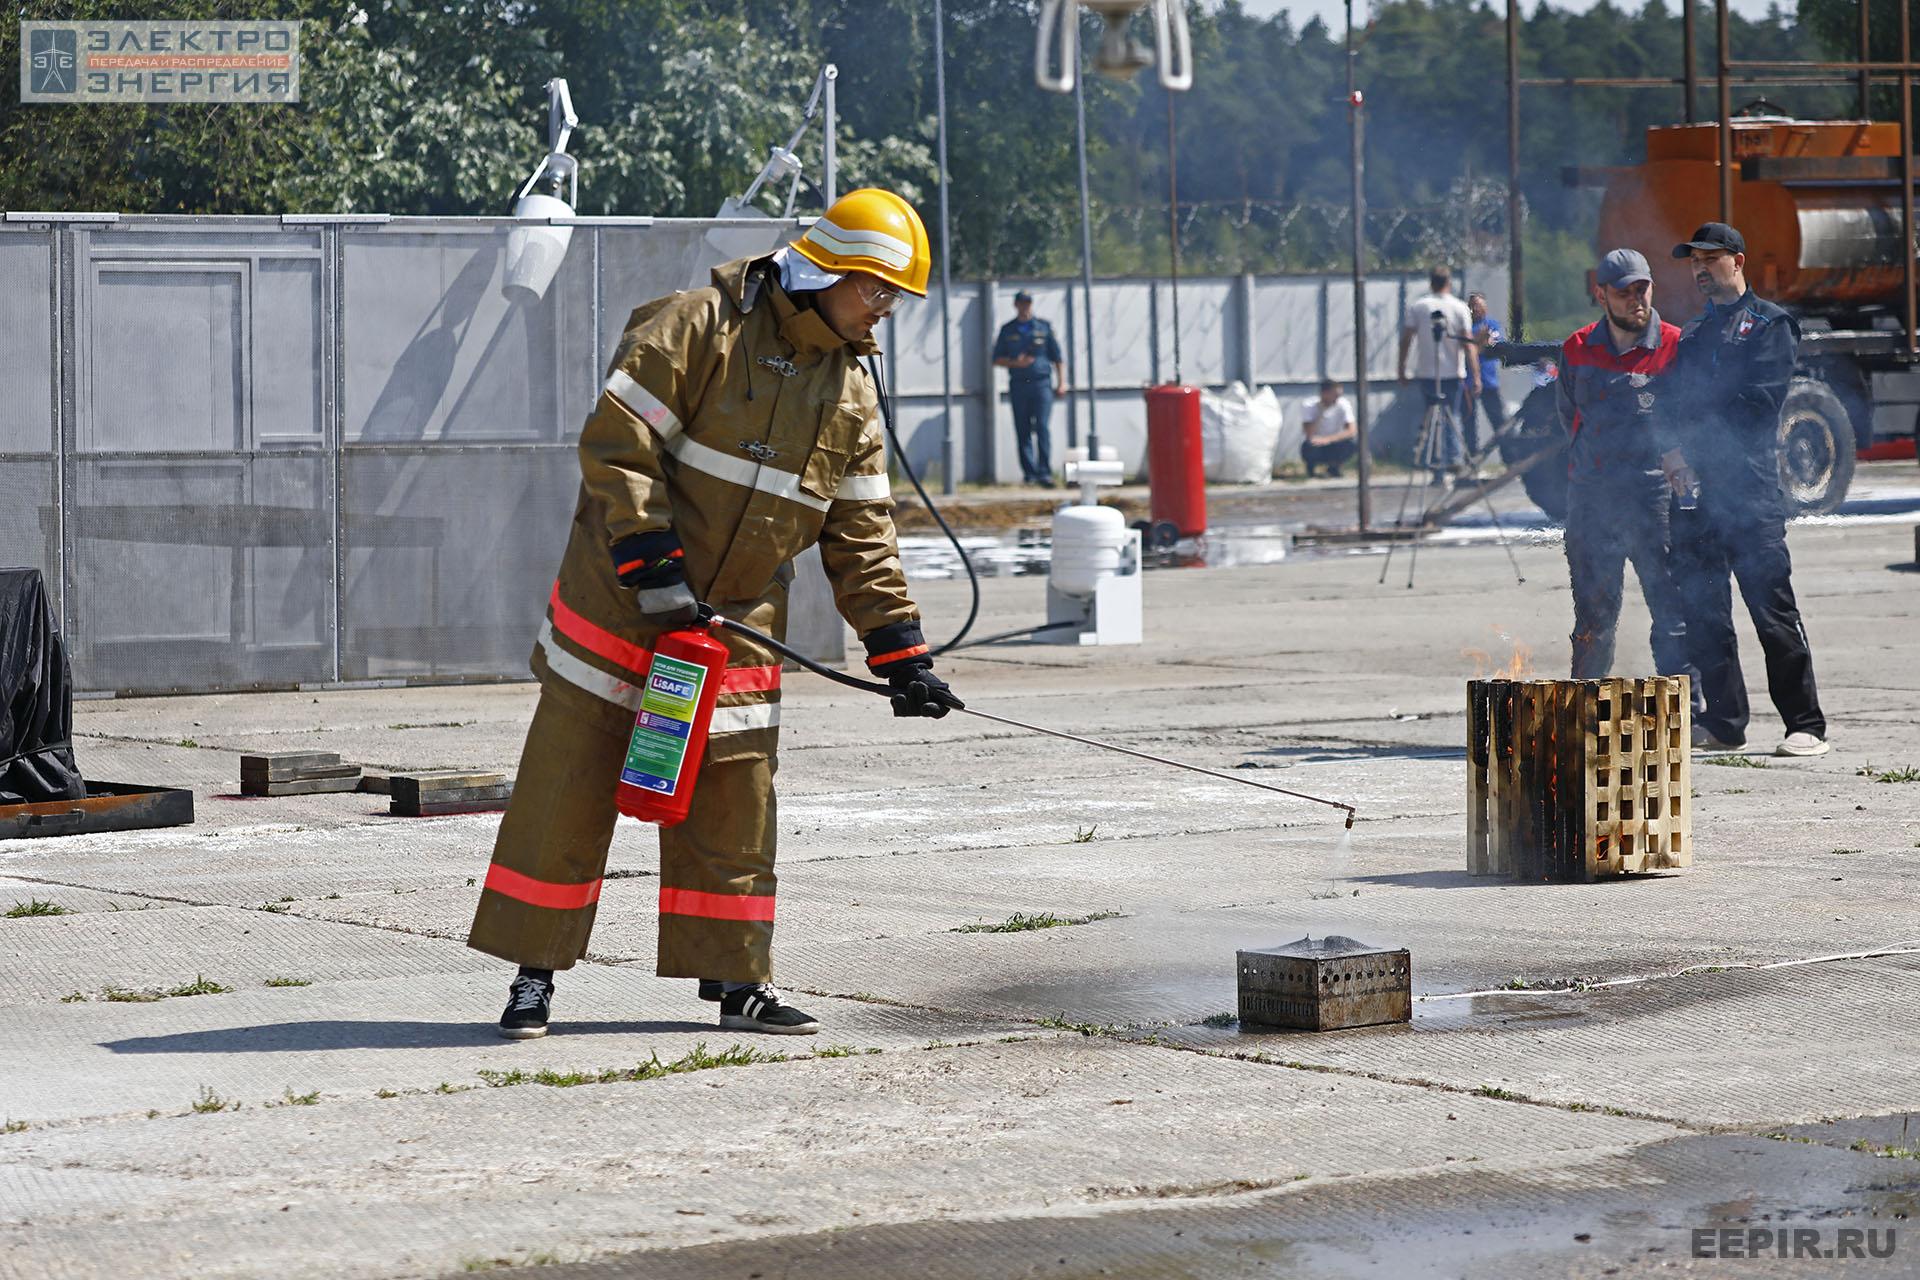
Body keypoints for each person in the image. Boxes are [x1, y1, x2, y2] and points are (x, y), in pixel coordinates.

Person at [466, 188, 964, 1040]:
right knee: (569, 786)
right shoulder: (698, 325)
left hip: (736, 624)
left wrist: (900, 652)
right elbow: (618, 442)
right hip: (624, 603)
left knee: (737, 800)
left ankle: (738, 985)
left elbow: (861, 531)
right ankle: (532, 977)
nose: (885, 309)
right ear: (830, 270)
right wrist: (650, 561)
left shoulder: (849, 391)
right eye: (878, 288)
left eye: (895, 296)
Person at [1666, 221, 1829, 757]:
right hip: (1696, 497)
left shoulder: (1770, 325)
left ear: (1737, 261)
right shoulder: (1694, 333)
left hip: (1749, 494)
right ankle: (1724, 723)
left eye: (1709, 259)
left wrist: (1696, 426)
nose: (1700, 269)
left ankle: (1805, 724)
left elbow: (1757, 404)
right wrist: (1673, 449)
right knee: (1706, 614)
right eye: (1694, 261)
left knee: (1772, 613)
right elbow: (1672, 403)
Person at [1554, 249, 1690, 682]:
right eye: (1624, 292)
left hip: (1655, 499)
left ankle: (1685, 704)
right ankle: (1586, 704)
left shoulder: (1674, 344)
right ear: (1601, 296)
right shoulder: (1576, 348)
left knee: (1672, 611)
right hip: (1592, 500)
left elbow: (1691, 420)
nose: (1636, 300)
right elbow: (1569, 415)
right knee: (1593, 619)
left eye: (1641, 289)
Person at [1397, 267, 1477, 486]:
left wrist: (1401, 368)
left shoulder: (1419, 306)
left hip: (1428, 372)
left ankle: (1438, 467)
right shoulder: (1459, 307)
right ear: (1449, 283)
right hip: (1453, 372)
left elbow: (1406, 339)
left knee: (1432, 419)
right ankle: (1453, 459)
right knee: (1452, 416)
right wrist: (1475, 374)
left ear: (1431, 283)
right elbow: (1468, 344)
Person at [992, 290, 1065, 487]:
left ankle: (1045, 473)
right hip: (1019, 385)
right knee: (1022, 429)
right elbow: (996, 359)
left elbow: (1057, 358)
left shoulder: (1043, 327)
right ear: (1016, 305)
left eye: (1028, 303)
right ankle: (1030, 474)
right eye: (1022, 303)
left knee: (1042, 427)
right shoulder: (1008, 330)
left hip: (1041, 384)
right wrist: (1016, 363)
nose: (1025, 306)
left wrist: (1062, 383)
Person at [1464, 292, 1507, 459]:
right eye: (1473, 307)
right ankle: (1472, 458)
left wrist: (1477, 343)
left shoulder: (1491, 324)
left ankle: (1509, 457)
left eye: (1479, 306)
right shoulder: (1465, 327)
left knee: (1499, 421)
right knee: (1469, 422)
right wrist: (1477, 340)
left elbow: (1490, 346)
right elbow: (1467, 349)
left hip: (1489, 381)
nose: (1476, 310)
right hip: (1468, 382)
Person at [1300, 379, 1358, 478]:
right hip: (1316, 443)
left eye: (1339, 395)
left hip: (1334, 442)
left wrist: (1328, 439)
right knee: (1308, 447)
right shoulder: (1309, 405)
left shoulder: (1343, 404)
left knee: (1351, 444)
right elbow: (1309, 433)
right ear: (1324, 393)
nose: (1337, 398)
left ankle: (1334, 468)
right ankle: (1311, 469)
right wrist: (1321, 411)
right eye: (1335, 395)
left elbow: (1352, 431)